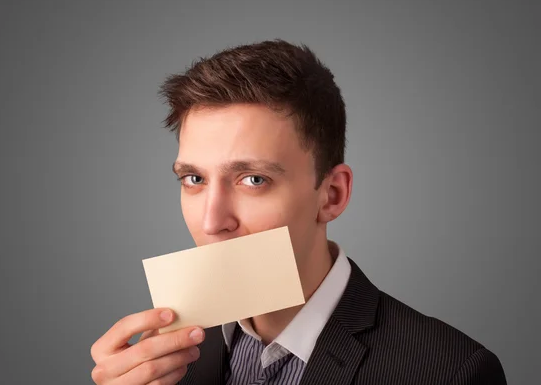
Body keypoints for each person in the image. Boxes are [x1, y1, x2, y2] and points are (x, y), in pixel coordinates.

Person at [90, 39, 507, 385]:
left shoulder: (451, 372)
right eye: (194, 180)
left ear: (332, 195)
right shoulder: (163, 367)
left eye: (253, 179)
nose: (211, 222)